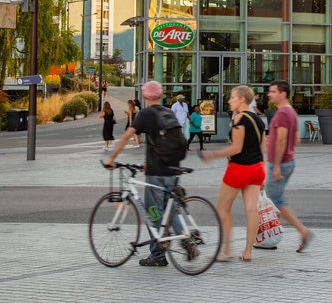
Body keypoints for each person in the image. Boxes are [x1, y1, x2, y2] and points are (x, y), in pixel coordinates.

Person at [104, 81, 182, 267]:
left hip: (157, 171)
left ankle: (158, 255)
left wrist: (111, 158)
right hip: (173, 167)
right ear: (160, 95)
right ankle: (187, 238)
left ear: (145, 96)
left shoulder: (146, 114)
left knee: (153, 212)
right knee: (171, 209)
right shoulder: (168, 112)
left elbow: (126, 135)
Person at [199, 85, 265, 262]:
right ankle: (248, 252)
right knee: (252, 210)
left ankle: (226, 251)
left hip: (239, 168)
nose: (229, 100)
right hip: (257, 168)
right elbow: (263, 145)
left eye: (232, 97)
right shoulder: (258, 119)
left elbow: (236, 148)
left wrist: (212, 154)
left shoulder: (239, 119)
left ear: (242, 99)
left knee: (223, 209)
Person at [264, 80, 313, 252]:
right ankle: (265, 234)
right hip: (289, 160)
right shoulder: (292, 112)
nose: (269, 94)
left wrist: (276, 165)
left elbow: (283, 140)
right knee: (274, 200)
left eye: (273, 91)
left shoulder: (282, 114)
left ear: (283, 93)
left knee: (275, 201)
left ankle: (302, 231)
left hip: (280, 163)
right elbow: (296, 140)